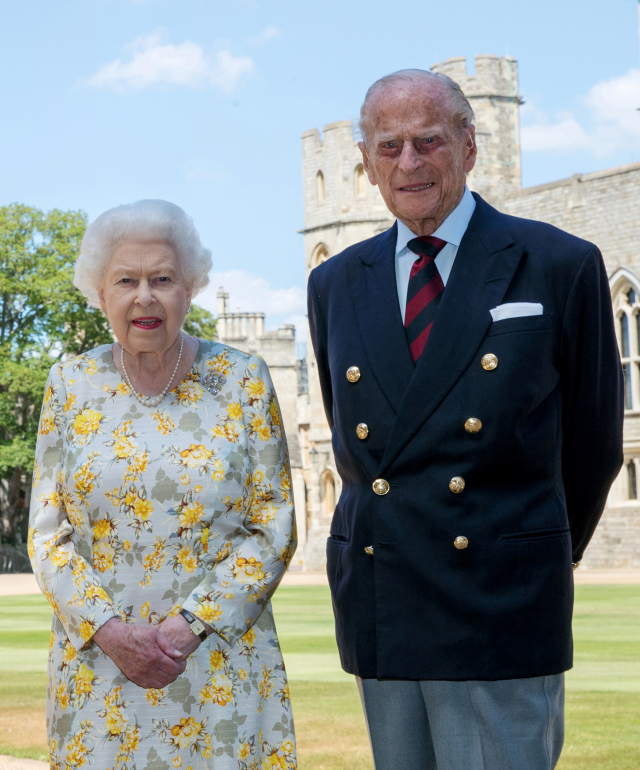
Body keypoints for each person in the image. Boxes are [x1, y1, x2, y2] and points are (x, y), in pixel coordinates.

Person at [307, 70, 624, 770]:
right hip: (385, 601)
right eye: (388, 147)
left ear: (470, 147)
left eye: (429, 141)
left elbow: (596, 445)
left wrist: (523, 549)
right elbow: (353, 440)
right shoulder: (335, 281)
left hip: (500, 601)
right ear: (365, 163)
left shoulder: (557, 264)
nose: (409, 163)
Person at [29, 200, 297, 770]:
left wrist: (191, 625)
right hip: (100, 671)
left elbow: (273, 524)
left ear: (190, 289)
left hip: (219, 665)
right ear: (99, 293)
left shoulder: (244, 379)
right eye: (126, 280)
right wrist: (110, 633)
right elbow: (48, 533)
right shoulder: (69, 384)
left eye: (163, 279)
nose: (145, 297)